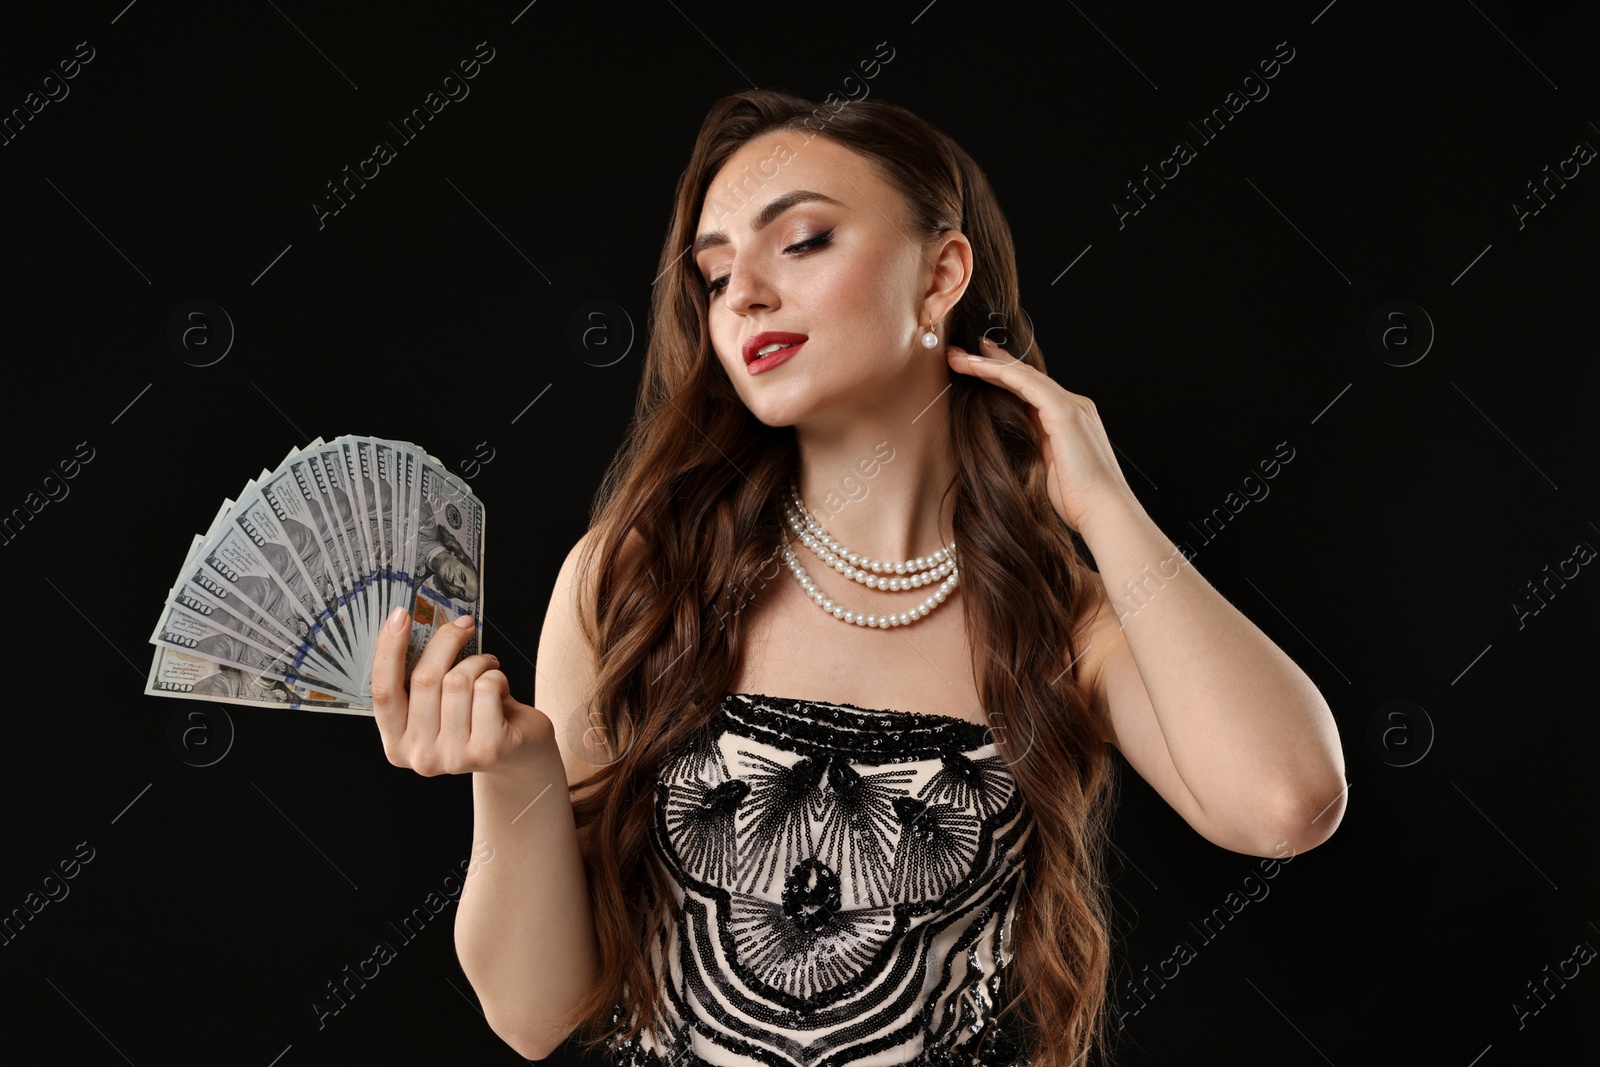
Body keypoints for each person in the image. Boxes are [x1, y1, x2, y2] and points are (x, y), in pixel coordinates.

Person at [369, 88, 1346, 1067]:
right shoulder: (633, 575)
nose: (743, 292)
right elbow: (536, 1014)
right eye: (714, 274)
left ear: (940, 273)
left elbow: (1284, 802)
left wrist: (1103, 505)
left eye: (799, 242)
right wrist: (516, 774)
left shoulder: (1061, 619)